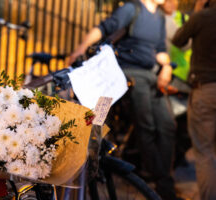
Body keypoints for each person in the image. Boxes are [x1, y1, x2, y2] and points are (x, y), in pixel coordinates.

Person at [68, 0, 180, 199]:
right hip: (128, 73)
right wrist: (80, 49)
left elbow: (161, 49)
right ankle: (163, 188)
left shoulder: (160, 17)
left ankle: (165, 182)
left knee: (168, 126)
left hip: (150, 75)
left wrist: (168, 67)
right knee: (147, 126)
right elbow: (104, 28)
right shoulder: (132, 8)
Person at [172, 0, 216, 199]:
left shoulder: (202, 17)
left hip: (205, 89)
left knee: (204, 152)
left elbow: (178, 39)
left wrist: (198, 10)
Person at [162, 0, 192, 168]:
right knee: (170, 124)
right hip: (168, 76)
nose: (172, 2)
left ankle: (177, 157)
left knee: (184, 126)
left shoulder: (184, 18)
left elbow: (188, 45)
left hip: (185, 80)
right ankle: (171, 161)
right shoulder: (157, 18)